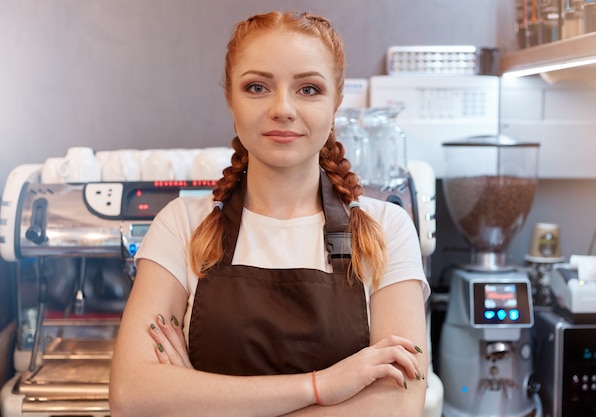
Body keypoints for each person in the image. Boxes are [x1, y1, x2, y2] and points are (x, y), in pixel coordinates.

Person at [109, 10, 430, 417]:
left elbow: (398, 406)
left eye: (309, 89)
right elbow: (132, 396)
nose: (283, 108)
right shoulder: (181, 225)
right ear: (230, 97)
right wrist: (323, 386)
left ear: (337, 99)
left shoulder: (387, 230)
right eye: (257, 87)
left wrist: (197, 400)